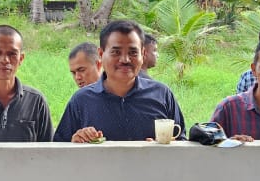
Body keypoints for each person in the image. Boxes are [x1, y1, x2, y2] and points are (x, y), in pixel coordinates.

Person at [53, 20, 185, 143]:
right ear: (101, 54)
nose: (125, 60)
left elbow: (183, 147)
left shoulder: (162, 95)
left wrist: (163, 147)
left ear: (143, 54)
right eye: (116, 52)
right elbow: (58, 155)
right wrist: (75, 142)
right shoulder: (81, 101)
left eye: (133, 52)